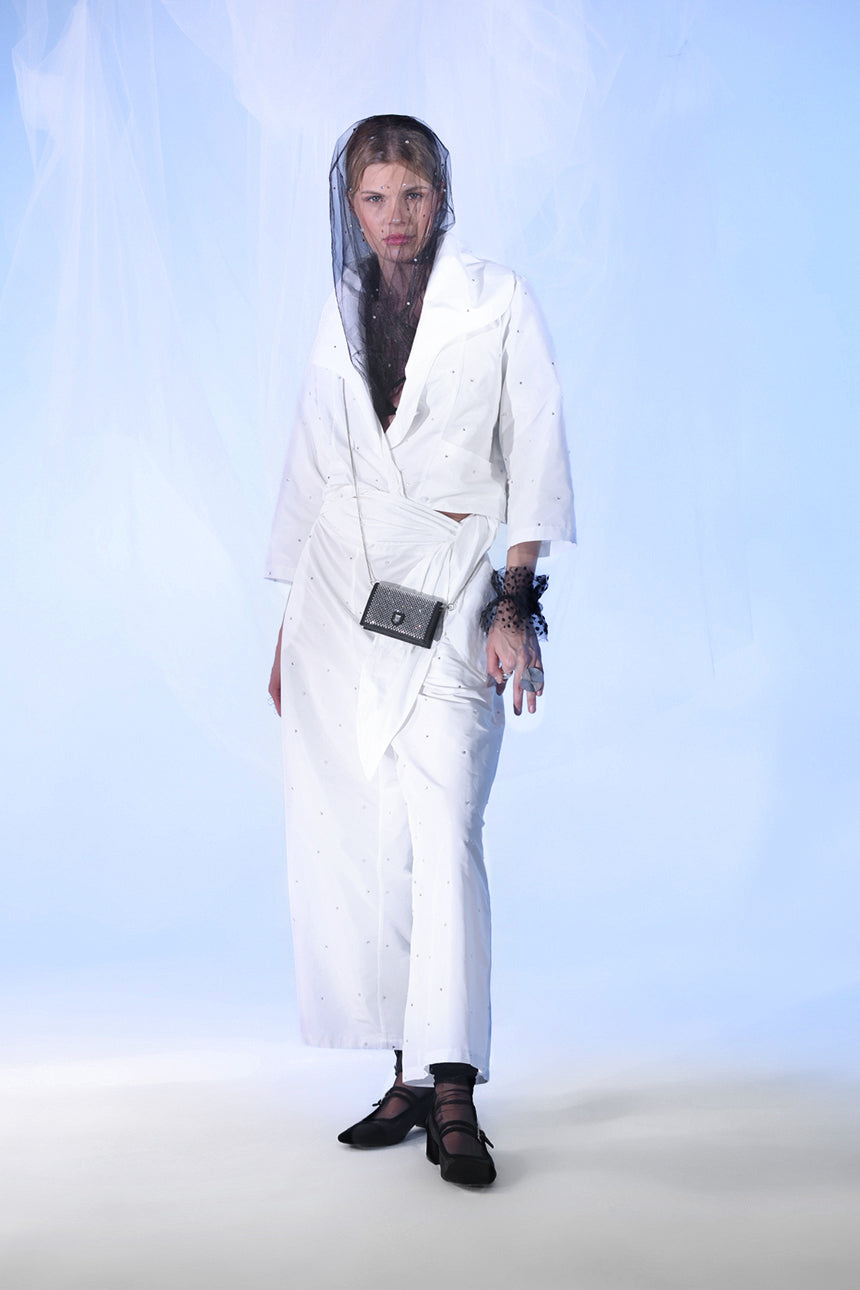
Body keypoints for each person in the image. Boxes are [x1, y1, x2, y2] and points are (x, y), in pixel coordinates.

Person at [266, 114, 574, 1186]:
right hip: (343, 602)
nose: (393, 218)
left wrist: (514, 606)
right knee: (374, 834)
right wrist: (286, 630)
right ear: (350, 208)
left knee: (445, 831)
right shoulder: (342, 308)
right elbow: (314, 464)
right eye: (373, 198)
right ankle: (404, 1070)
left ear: (441, 197)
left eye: (412, 194)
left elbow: (532, 450)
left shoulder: (497, 299)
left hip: (450, 583)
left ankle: (453, 1089)